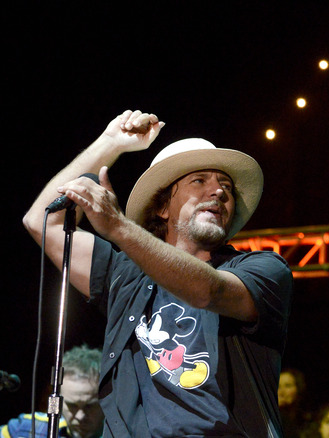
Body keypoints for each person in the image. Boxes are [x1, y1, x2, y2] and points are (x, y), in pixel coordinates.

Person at [23, 110, 294, 437]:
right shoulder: (124, 275)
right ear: (163, 207)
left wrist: (119, 227)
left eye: (226, 187)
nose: (219, 192)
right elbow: (42, 221)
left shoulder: (263, 269)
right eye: (199, 181)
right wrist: (111, 144)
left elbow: (208, 291)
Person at [1, 345, 104, 438]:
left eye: (90, 406)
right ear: (57, 400)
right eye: (72, 405)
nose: (80, 416)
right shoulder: (27, 428)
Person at [279, 368, 311, 438]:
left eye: (287, 386)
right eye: (278, 386)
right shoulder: (267, 419)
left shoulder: (306, 421)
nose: (281, 392)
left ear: (298, 388)